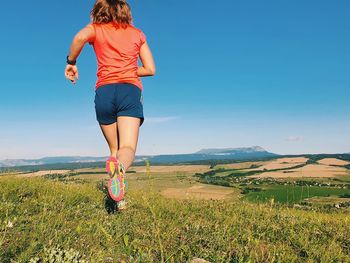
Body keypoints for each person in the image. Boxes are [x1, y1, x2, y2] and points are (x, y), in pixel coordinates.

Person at [64, 0, 156, 211]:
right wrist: (130, 70)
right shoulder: (137, 34)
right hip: (129, 91)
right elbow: (150, 69)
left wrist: (71, 62)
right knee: (127, 148)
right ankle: (120, 170)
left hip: (104, 92)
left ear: (98, 11)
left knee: (114, 149)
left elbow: (79, 37)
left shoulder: (96, 29)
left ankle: (118, 201)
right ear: (125, 11)